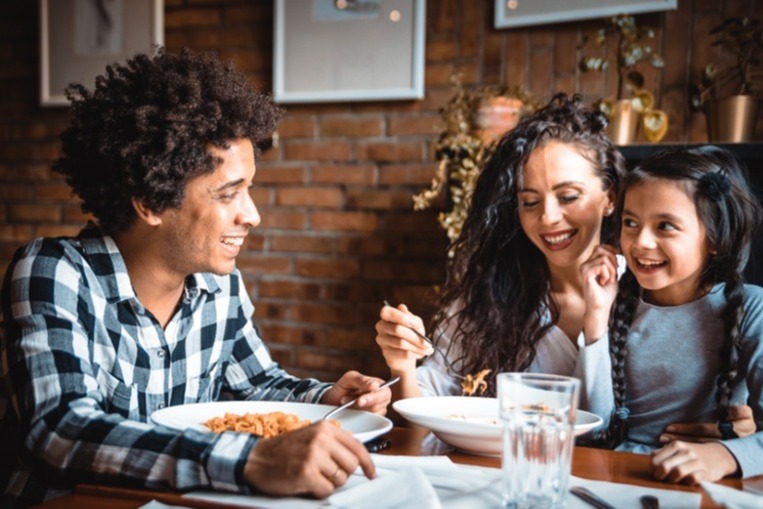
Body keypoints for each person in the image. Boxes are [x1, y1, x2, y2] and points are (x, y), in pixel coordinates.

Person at [0, 48, 390, 508]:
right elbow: (60, 429)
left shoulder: (219, 284)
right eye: (230, 194)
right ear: (151, 201)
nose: (253, 216)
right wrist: (248, 461)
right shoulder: (56, 271)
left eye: (250, 190)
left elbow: (256, 384)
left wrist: (326, 396)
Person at [375, 94, 754, 441]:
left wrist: (739, 430)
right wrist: (405, 367)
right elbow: (423, 413)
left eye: (568, 196)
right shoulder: (490, 300)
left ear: (611, 197)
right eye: (529, 202)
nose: (548, 218)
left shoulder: (658, 286)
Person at [579, 146, 763, 483]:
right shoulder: (614, 303)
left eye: (665, 226)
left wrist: (725, 455)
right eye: (630, 222)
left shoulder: (751, 309)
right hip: (613, 479)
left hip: (705, 487)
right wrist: (596, 319)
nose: (640, 242)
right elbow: (595, 429)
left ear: (715, 238)